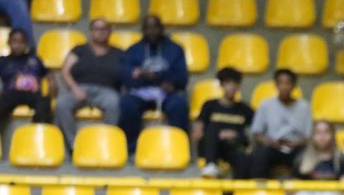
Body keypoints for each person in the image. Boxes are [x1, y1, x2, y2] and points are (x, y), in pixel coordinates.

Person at [117, 14, 189, 153]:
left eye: (155, 27)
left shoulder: (175, 49)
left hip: (167, 92)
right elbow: (128, 78)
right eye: (148, 28)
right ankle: (131, 150)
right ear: (143, 30)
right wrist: (154, 78)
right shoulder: (133, 50)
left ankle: (178, 148)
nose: (152, 31)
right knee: (127, 104)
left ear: (162, 28)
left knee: (179, 105)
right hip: (141, 92)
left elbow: (182, 78)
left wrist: (153, 76)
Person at [55, 19, 122, 150]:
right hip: (80, 88)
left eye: (104, 29)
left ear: (110, 32)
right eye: (96, 29)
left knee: (115, 103)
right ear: (91, 31)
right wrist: (74, 88)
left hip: (107, 91)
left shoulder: (118, 53)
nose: (100, 32)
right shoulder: (79, 50)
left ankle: (107, 143)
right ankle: (73, 145)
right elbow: (65, 72)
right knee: (61, 103)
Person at [247, 68, 311, 179]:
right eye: (281, 83)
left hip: (296, 148)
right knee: (259, 155)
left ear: (294, 85)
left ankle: (301, 189)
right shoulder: (265, 105)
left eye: (288, 83)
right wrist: (269, 142)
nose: (284, 87)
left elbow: (310, 137)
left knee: (307, 157)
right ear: (276, 84)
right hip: (273, 147)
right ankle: (260, 187)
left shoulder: (305, 107)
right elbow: (257, 133)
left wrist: (296, 143)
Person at [194, 66, 253, 178]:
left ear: (238, 86)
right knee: (212, 128)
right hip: (210, 147)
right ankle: (210, 165)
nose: (231, 87)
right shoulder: (209, 105)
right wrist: (216, 135)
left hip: (232, 147)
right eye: (227, 83)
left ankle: (237, 187)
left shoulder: (245, 109)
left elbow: (252, 134)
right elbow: (198, 133)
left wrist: (234, 135)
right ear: (221, 85)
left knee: (244, 159)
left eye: (234, 83)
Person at [0, 29, 53, 133]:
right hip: (11, 94)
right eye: (15, 41)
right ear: (9, 42)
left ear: (26, 44)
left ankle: (36, 134)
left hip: (33, 94)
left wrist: (52, 83)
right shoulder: (3, 61)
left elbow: (48, 74)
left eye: (21, 42)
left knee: (44, 103)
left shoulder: (35, 59)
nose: (18, 45)